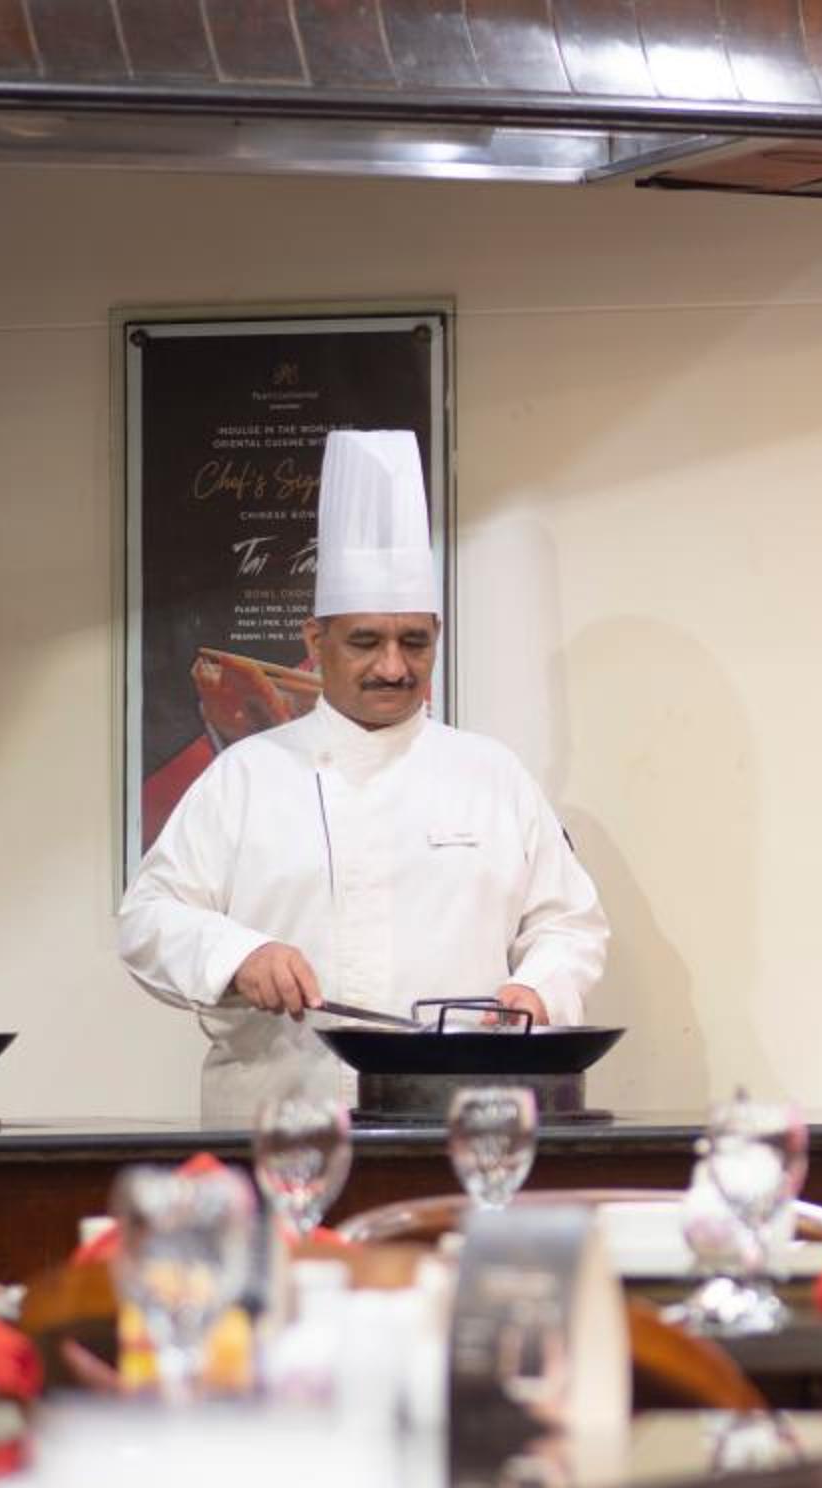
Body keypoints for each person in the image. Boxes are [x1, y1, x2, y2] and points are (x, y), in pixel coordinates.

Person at [118, 430, 608, 1122]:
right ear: (315, 641)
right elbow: (147, 919)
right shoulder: (246, 777)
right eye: (365, 642)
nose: (393, 667)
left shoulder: (492, 775)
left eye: (414, 642)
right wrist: (238, 954)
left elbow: (569, 925)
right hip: (277, 1128)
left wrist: (538, 991)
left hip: (456, 1124)